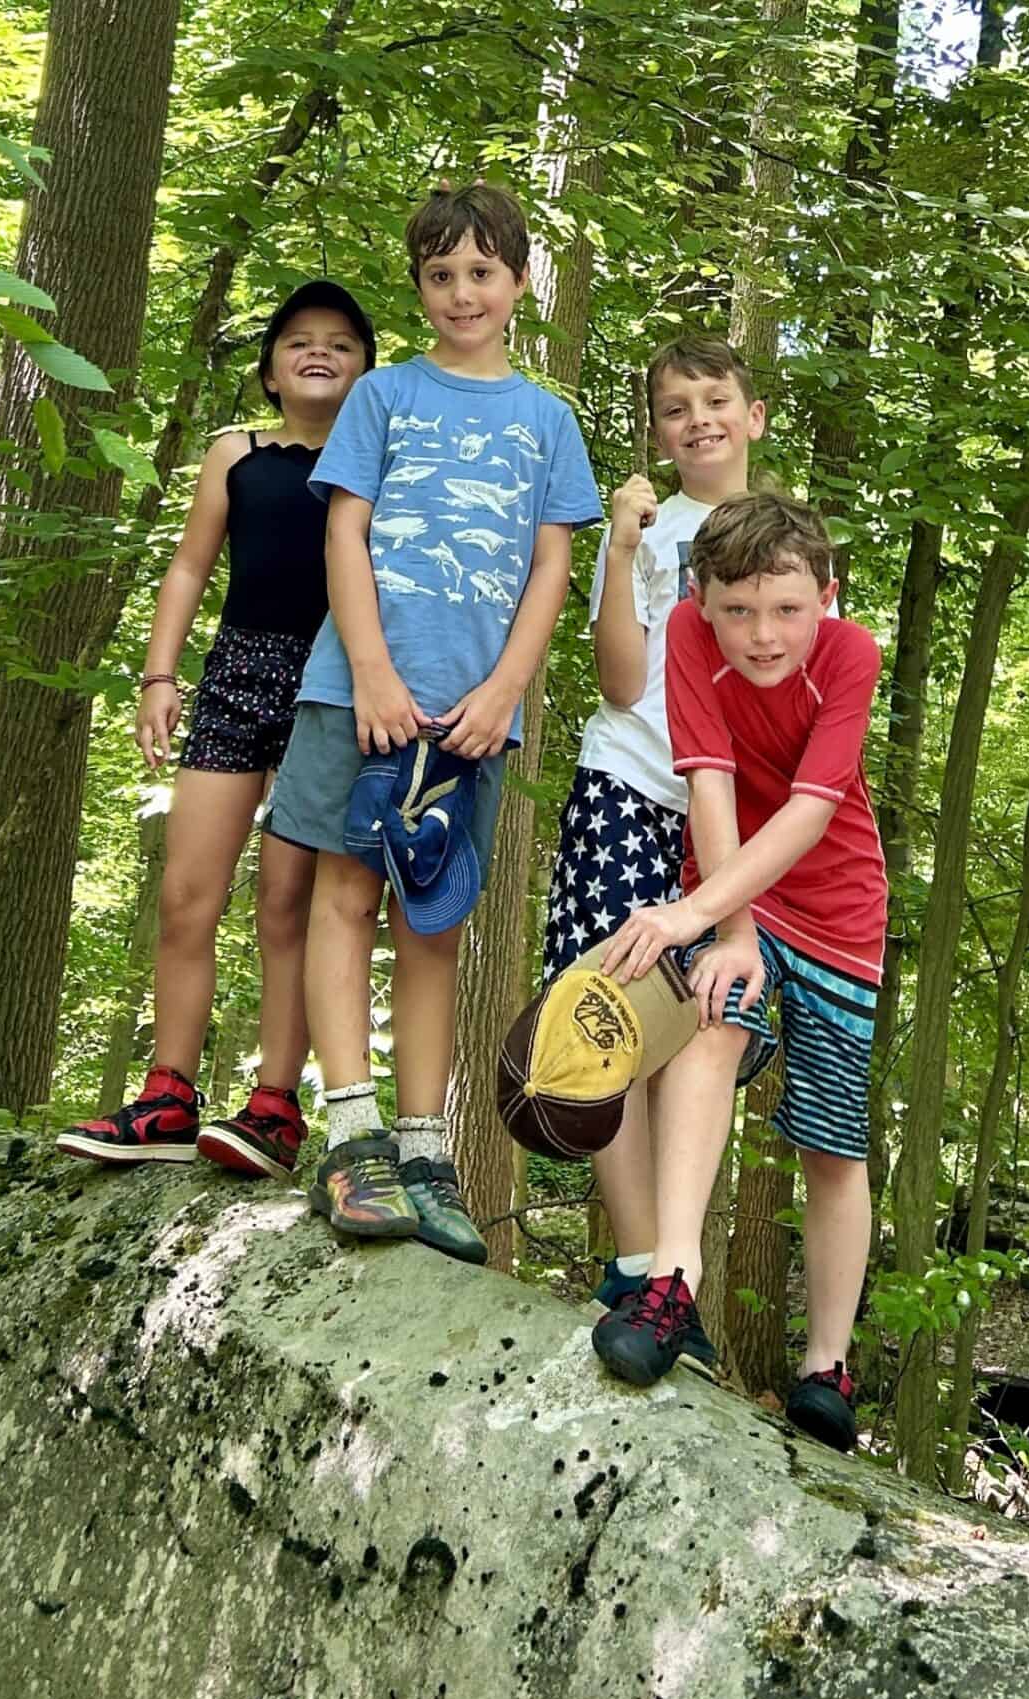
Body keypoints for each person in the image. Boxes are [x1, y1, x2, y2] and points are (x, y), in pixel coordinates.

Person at [267, 183, 599, 1257]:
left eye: (481, 273)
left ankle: (424, 1149)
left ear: (517, 284)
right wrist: (367, 669)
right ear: (419, 287)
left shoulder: (549, 421)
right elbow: (345, 534)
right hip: (356, 695)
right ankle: (352, 1138)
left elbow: (552, 563)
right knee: (345, 893)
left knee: (433, 917)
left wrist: (507, 688)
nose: (462, 293)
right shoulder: (384, 399)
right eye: (440, 275)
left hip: (469, 713)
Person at [59, 280, 374, 1175]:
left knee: (288, 902)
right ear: (271, 369)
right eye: (300, 340)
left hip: (334, 682)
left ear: (365, 372)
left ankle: (276, 1105)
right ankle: (169, 1092)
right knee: (187, 893)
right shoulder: (234, 453)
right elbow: (191, 566)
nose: (320, 351)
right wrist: (160, 676)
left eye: (342, 343)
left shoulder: (377, 459)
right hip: (238, 671)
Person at [595, 494, 886, 1453]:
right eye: (739, 611)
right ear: (702, 599)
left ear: (827, 600)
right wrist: (729, 931)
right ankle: (672, 1285)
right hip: (730, 888)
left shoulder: (852, 657)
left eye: (788, 611)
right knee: (711, 1026)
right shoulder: (684, 632)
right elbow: (709, 783)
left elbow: (808, 812)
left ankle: (828, 1366)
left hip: (841, 909)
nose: (763, 636)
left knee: (834, 1142)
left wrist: (693, 912)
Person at [545, 337, 767, 1313]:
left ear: (753, 416)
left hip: (730, 817)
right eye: (675, 408)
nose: (698, 419)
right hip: (627, 790)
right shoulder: (640, 528)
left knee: (700, 1034)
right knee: (606, 1019)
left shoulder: (787, 538)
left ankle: (673, 1262)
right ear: (658, 432)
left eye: (716, 399)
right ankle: (636, 1268)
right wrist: (626, 549)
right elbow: (622, 682)